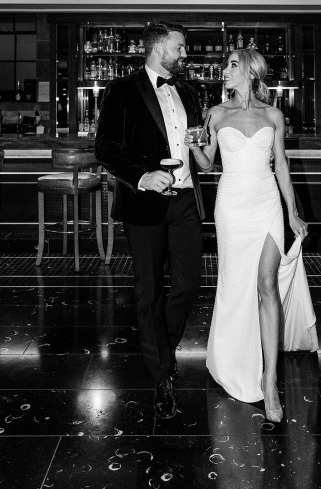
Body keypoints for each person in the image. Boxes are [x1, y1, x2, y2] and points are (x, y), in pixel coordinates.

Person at [185, 48, 318, 423]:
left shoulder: (273, 115)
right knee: (235, 284)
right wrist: (194, 143)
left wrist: (292, 213)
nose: (223, 71)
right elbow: (208, 164)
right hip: (230, 204)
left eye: (230, 65)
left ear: (248, 70)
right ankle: (232, 356)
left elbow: (282, 168)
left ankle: (270, 379)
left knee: (266, 284)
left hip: (266, 203)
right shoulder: (215, 113)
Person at [95, 21, 205, 420]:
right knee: (148, 291)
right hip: (144, 203)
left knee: (189, 284)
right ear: (159, 47)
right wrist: (141, 176)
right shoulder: (122, 90)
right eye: (180, 47)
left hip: (187, 201)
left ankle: (165, 346)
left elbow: (198, 145)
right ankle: (161, 376)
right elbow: (105, 147)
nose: (185, 54)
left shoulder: (189, 92)